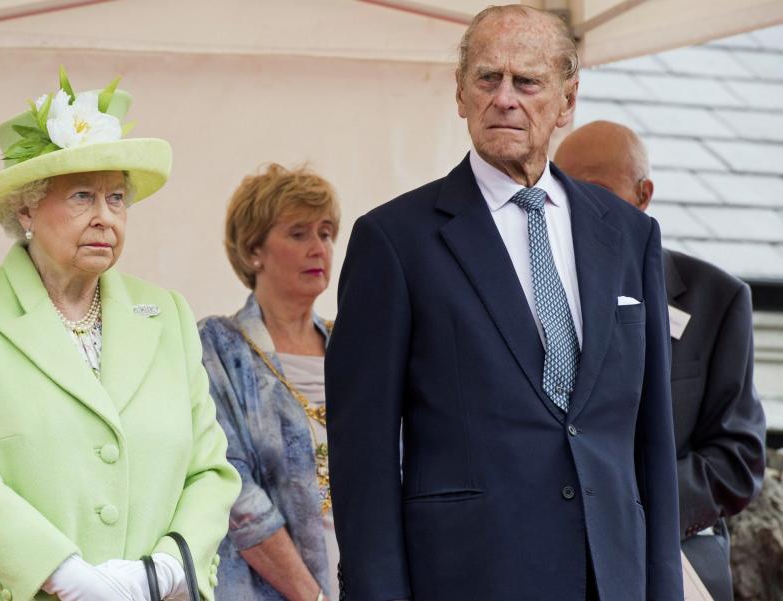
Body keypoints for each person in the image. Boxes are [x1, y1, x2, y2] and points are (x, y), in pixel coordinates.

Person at [325, 5, 684, 601]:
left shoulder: (628, 234)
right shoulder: (395, 241)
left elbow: (652, 439)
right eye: (488, 79)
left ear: (567, 101)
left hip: (612, 576)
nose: (505, 98)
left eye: (528, 82)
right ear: (461, 95)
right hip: (467, 575)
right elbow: (362, 457)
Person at [0, 70, 240, 601]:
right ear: (25, 209)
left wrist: (159, 571)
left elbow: (210, 473)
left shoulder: (167, 314)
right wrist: (68, 578)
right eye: (82, 196)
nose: (105, 218)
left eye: (117, 199)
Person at [554, 120, 766, 601]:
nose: (577, 209)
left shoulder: (716, 300)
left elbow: (738, 456)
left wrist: (633, 510)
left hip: (676, 560)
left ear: (643, 193)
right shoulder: (539, 293)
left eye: (596, 191)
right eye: (563, 192)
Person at [199, 163, 341, 601]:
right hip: (265, 588)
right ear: (252, 250)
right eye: (298, 234)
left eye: (326, 232)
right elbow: (231, 485)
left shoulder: (354, 344)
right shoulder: (219, 346)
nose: (318, 248)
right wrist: (310, 595)